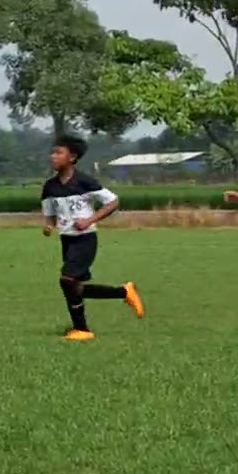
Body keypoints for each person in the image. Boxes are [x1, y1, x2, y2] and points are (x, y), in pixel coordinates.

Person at [40, 134, 145, 341]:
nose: (53, 156)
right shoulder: (50, 187)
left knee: (67, 281)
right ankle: (123, 293)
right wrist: (48, 226)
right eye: (53, 152)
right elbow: (50, 213)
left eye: (59, 152)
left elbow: (113, 202)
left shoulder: (85, 181)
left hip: (85, 239)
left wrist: (89, 220)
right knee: (74, 287)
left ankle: (83, 330)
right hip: (67, 240)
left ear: (72, 157)